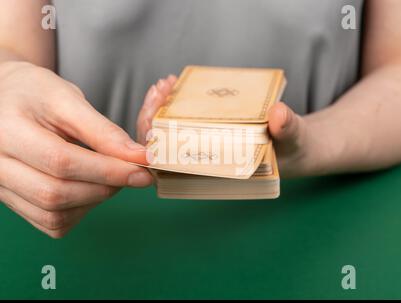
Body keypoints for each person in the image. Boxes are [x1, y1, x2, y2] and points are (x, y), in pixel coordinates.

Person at [0, 0, 400, 238]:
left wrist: (311, 142)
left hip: (323, 219)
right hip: (88, 231)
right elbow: (10, 47)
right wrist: (8, 78)